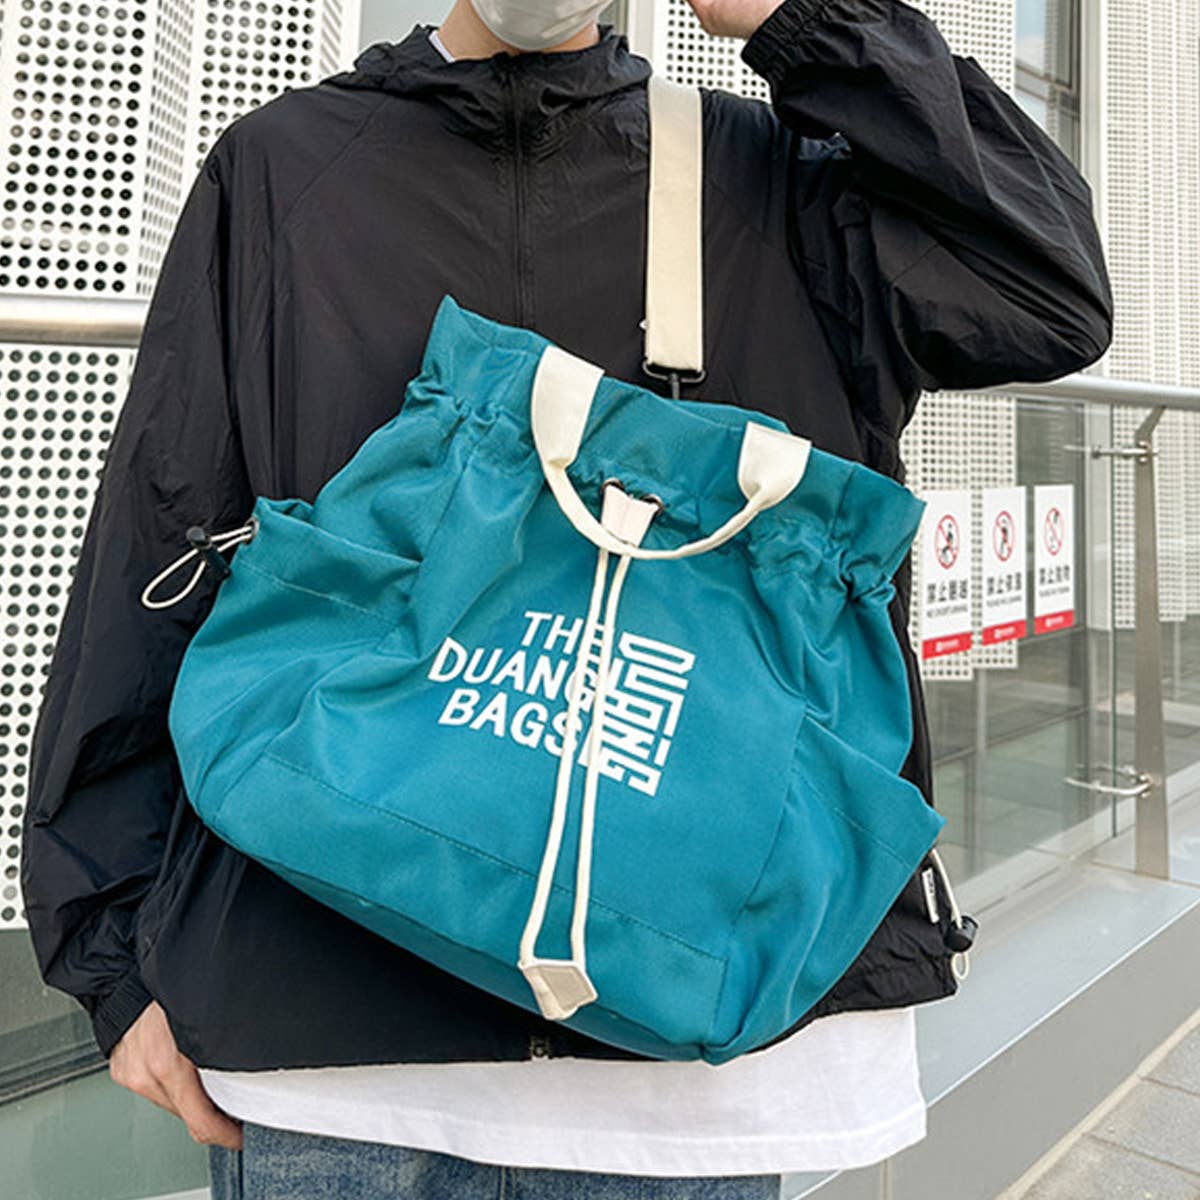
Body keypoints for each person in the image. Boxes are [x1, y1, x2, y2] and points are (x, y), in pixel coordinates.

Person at [19, 0, 1113, 1195]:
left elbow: (1048, 290)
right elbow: (162, 536)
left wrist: (804, 20)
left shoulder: (776, 179)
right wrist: (112, 958)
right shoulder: (285, 166)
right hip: (323, 1029)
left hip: (692, 1078)